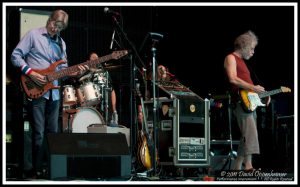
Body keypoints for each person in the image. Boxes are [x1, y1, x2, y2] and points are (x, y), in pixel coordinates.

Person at [11, 9, 88, 178]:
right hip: (35, 90)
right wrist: (30, 72)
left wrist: (74, 72)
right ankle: (33, 170)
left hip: (54, 93)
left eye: (59, 27)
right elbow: (15, 56)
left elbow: (61, 70)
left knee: (52, 133)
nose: (55, 29)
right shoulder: (33, 35)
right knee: (37, 132)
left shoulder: (62, 44)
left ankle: (48, 169)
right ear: (49, 19)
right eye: (54, 24)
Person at [224, 30, 271, 171]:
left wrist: (265, 95)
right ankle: (248, 166)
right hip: (240, 102)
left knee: (247, 134)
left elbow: (250, 89)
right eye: (251, 48)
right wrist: (253, 87)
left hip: (249, 102)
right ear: (243, 46)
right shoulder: (230, 58)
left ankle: (237, 167)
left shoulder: (243, 63)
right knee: (250, 133)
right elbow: (232, 78)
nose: (253, 52)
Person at [87, 52, 118, 126]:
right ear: (88, 61)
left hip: (107, 106)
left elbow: (112, 90)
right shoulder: (86, 74)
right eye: (93, 58)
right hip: (94, 107)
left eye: (97, 58)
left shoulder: (104, 72)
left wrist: (114, 109)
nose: (96, 59)